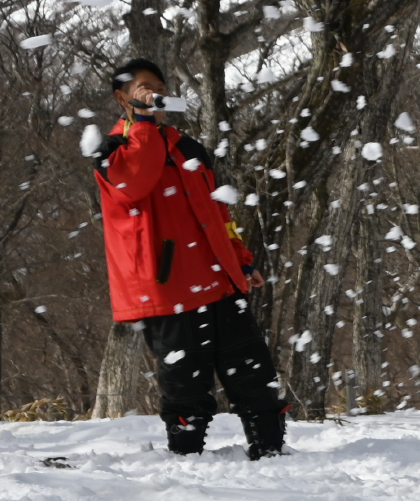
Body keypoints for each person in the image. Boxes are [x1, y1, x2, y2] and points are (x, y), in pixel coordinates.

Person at [90, 58, 289, 458]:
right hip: (167, 286)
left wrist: (240, 260)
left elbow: (218, 212)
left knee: (254, 372)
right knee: (185, 382)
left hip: (218, 279)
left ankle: (270, 452)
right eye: (143, 88)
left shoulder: (186, 147)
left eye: (159, 88)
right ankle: (187, 460)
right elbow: (136, 182)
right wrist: (143, 122)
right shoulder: (113, 150)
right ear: (122, 98)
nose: (154, 94)